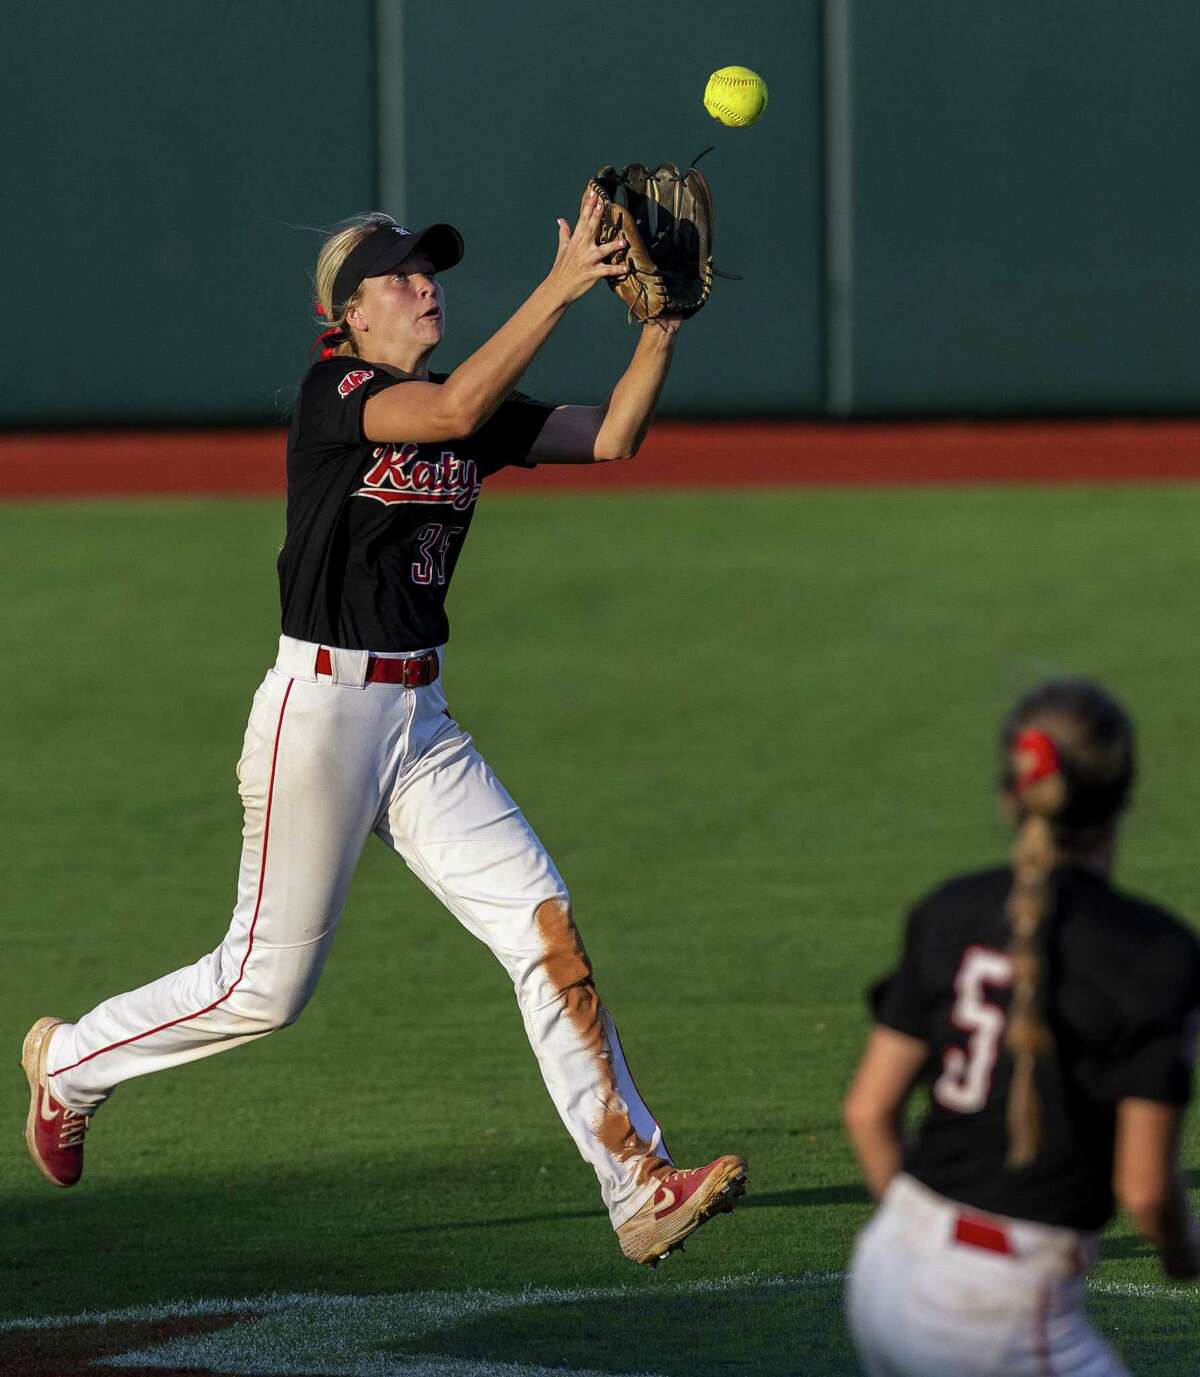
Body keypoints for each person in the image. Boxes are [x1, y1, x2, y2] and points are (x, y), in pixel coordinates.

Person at [21, 192, 746, 1268]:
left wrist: (660, 328)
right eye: (401, 277)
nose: (424, 286)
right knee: (264, 990)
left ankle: (638, 1184)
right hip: (317, 717)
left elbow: (614, 438)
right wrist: (559, 287)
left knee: (542, 927)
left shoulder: (468, 399)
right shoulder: (337, 393)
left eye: (429, 269)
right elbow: (449, 415)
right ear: (350, 316)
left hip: (421, 722)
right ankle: (70, 1064)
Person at [843, 678, 1200, 1376]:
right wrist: (1185, 1254)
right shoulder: (1154, 952)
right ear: (1123, 799)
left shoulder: (950, 910)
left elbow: (867, 1110)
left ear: (1011, 795)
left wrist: (927, 1242)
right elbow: (1146, 1189)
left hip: (886, 1271)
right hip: (996, 1313)